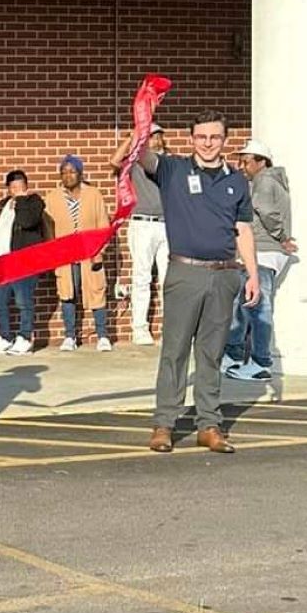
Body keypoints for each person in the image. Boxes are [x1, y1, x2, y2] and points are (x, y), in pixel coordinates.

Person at [141, 113, 258, 454]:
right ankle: (164, 424)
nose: (208, 143)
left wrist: (252, 274)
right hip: (185, 272)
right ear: (191, 138)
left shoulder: (237, 181)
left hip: (224, 274)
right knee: (175, 351)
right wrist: (141, 121)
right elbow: (137, 155)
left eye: (215, 137)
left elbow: (243, 230)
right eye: (201, 136)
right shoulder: (173, 169)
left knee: (211, 354)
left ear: (225, 140)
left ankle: (208, 425)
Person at [223, 141, 297, 381]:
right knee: (243, 304)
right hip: (264, 251)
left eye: (246, 161)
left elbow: (265, 211)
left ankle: (260, 363)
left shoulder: (264, 180)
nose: (241, 166)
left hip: (264, 251)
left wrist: (282, 238)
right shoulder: (268, 181)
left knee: (257, 307)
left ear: (261, 161)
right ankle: (233, 355)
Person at [0, 170, 50, 355]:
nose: (17, 189)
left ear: (26, 186)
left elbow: (27, 222)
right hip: (3, 262)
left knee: (23, 301)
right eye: (13, 187)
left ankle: (25, 338)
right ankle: (4, 337)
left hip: (24, 262)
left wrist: (21, 200)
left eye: (21, 186)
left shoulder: (34, 202)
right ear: (8, 189)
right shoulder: (5, 204)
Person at [45, 155, 112, 350]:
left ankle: (102, 336)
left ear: (80, 174)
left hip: (90, 252)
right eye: (64, 172)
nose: (68, 176)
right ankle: (70, 336)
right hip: (65, 254)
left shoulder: (93, 195)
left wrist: (99, 250)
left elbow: (103, 225)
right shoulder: (52, 198)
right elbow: (48, 229)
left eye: (72, 171)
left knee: (96, 291)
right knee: (67, 293)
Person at [114, 122, 169, 345]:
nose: (155, 140)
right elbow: (114, 162)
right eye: (150, 136)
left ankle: (169, 328)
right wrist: (130, 139)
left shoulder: (169, 162)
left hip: (167, 224)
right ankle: (140, 328)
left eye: (157, 136)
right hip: (142, 223)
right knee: (141, 277)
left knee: (169, 279)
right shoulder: (135, 161)